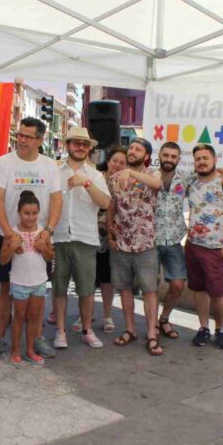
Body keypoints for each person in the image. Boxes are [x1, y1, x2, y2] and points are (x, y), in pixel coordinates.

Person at [114, 142, 223, 341]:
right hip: (151, 241)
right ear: (159, 157)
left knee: (178, 284)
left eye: (173, 156)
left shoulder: (187, 178)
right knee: (151, 288)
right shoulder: (150, 175)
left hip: (173, 241)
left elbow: (209, 170)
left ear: (179, 159)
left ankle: (164, 318)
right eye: (166, 155)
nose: (169, 159)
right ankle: (151, 326)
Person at [0, 117, 62, 360]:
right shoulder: (3, 162)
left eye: (28, 137)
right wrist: (10, 234)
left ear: (40, 140)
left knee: (37, 293)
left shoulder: (50, 165)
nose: (21, 140)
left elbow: (57, 200)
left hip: (39, 237)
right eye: (19, 134)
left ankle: (37, 339)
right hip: (6, 236)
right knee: (5, 288)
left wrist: (48, 231)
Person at [51, 128, 110, 350]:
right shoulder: (55, 171)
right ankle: (60, 331)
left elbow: (105, 203)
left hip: (86, 239)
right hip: (59, 238)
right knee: (59, 288)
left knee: (86, 290)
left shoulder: (95, 175)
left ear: (89, 148)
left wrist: (85, 183)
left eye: (84, 144)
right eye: (76, 143)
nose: (80, 147)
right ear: (67, 145)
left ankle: (87, 329)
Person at [106, 138, 163, 356]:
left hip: (145, 244)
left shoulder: (152, 174)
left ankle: (151, 334)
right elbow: (113, 203)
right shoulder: (114, 179)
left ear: (146, 156)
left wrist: (130, 173)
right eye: (131, 147)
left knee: (150, 291)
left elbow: (157, 185)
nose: (132, 151)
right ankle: (130, 329)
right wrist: (110, 228)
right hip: (122, 244)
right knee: (125, 288)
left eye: (138, 149)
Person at [186, 144, 223, 349]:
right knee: (199, 290)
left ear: (214, 160)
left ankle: (220, 329)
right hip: (193, 246)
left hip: (216, 249)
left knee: (217, 293)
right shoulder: (191, 182)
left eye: (205, 158)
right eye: (197, 159)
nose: (201, 162)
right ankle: (203, 328)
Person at [0, 191, 55, 366]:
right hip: (20, 282)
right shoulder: (12, 234)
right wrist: (11, 247)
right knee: (19, 317)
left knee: (34, 317)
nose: (30, 217)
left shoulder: (43, 233)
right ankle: (15, 351)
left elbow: (50, 257)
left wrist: (44, 248)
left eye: (34, 213)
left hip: (39, 282)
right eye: (26, 213)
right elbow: (3, 260)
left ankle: (30, 350)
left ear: (39, 213)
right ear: (19, 213)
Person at [94, 146, 127, 334]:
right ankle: (85, 316)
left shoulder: (125, 183)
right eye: (115, 160)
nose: (117, 165)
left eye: (122, 163)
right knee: (88, 279)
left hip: (111, 238)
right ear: (108, 161)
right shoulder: (96, 178)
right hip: (91, 235)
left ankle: (107, 316)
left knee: (108, 279)